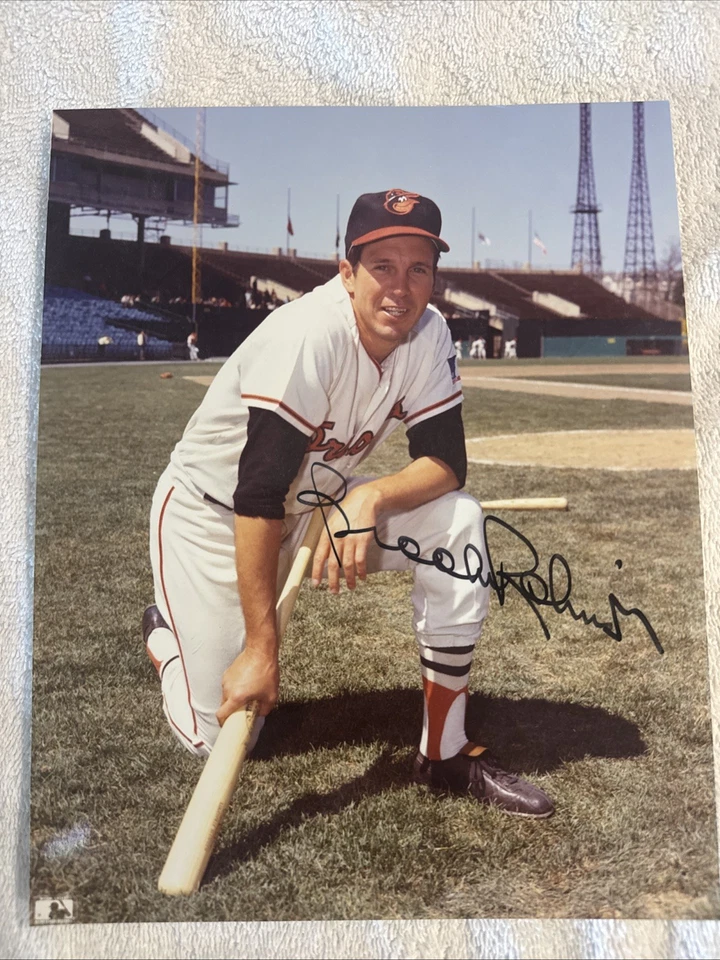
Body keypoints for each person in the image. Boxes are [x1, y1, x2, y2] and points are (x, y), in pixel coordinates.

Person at [143, 189, 554, 819]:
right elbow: (256, 492)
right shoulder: (309, 333)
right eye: (382, 266)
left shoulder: (429, 334)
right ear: (346, 273)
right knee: (222, 734)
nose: (400, 287)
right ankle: (168, 645)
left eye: (418, 268)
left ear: (434, 278)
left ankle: (443, 752)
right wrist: (261, 648)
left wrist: (370, 494)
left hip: (314, 510)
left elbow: (448, 463)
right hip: (213, 516)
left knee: (458, 521)